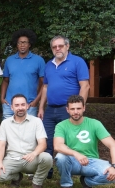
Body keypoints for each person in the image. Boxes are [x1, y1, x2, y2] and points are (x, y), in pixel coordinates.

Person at [38, 35, 90, 178]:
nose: (57, 49)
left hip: (68, 109)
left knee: (69, 141)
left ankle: (69, 172)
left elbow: (85, 86)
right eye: (54, 47)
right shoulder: (49, 65)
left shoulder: (77, 62)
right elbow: (45, 87)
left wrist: (79, 107)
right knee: (46, 140)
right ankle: (46, 172)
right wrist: (41, 107)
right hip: (50, 109)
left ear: (67, 46)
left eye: (60, 46)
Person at [53, 95, 115, 188]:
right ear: (67, 110)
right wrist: (76, 154)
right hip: (72, 161)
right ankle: (66, 185)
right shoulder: (61, 125)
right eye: (72, 109)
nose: (76, 112)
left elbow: (113, 145)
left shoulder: (95, 124)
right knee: (60, 157)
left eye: (79, 108)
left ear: (84, 108)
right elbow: (58, 146)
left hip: (91, 162)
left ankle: (86, 182)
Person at [0, 94, 53, 188]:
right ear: (12, 107)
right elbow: (1, 145)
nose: (20, 108)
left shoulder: (36, 121)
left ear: (27, 106)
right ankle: (17, 177)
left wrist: (33, 154)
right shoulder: (5, 123)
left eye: (23, 105)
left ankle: (37, 183)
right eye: (17, 105)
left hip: (31, 159)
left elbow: (43, 144)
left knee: (47, 158)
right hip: (12, 159)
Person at [0, 29, 45, 120]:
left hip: (29, 104)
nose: (22, 45)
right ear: (16, 44)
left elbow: (44, 83)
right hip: (9, 105)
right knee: (8, 128)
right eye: (19, 42)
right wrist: (2, 98)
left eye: (25, 42)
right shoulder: (9, 60)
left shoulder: (38, 60)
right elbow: (5, 81)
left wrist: (36, 101)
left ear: (29, 44)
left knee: (28, 128)